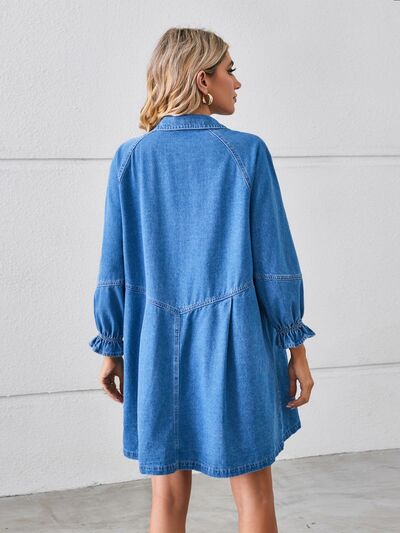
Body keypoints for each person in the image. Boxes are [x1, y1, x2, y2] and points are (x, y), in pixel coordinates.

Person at [89, 27, 316, 533]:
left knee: (167, 497)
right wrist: (295, 347)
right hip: (237, 345)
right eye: (230, 70)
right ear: (202, 80)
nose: (238, 82)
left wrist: (113, 346)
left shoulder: (130, 158)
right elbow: (275, 263)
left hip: (154, 345)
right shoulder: (246, 152)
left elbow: (114, 268)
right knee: (254, 492)